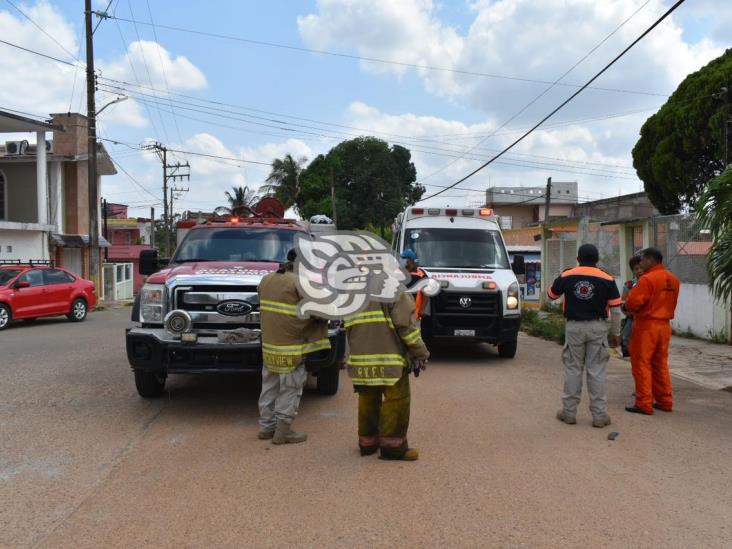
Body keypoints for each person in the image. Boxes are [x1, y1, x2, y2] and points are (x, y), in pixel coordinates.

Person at [345, 290, 429, 461]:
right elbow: (405, 326)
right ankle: (393, 448)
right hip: (390, 359)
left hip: (362, 359)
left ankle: (368, 443)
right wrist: (421, 353)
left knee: (368, 399)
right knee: (396, 400)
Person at [257, 249, 330, 444]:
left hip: (270, 347)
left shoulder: (267, 280)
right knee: (291, 388)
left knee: (269, 386)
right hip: (291, 349)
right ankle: (283, 432)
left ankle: (266, 428)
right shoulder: (301, 283)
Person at [548, 244, 623, 428]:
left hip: (574, 328)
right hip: (597, 327)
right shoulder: (607, 278)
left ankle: (569, 413)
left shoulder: (568, 274)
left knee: (573, 369)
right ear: (597, 259)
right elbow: (616, 310)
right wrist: (616, 334)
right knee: (596, 371)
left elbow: (551, 295)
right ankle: (599, 416)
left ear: (578, 258)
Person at [624, 247, 680, 415]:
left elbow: (633, 303)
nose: (640, 264)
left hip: (646, 326)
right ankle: (665, 401)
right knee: (660, 364)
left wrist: (625, 306)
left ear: (650, 259)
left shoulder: (647, 279)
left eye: (642, 260)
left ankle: (643, 403)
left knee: (642, 364)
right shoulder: (673, 279)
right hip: (664, 326)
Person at [620, 255, 644, 357]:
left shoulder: (652, 282)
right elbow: (622, 303)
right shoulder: (629, 285)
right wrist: (630, 313)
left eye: (641, 268)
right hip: (632, 318)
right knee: (625, 337)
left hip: (647, 318)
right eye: (636, 269)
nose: (639, 271)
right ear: (632, 271)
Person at [400, 249, 427, 320]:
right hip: (400, 312)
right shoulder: (399, 272)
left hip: (415, 313)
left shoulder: (421, 274)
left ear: (411, 260)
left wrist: (422, 309)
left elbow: (426, 293)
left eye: (404, 258)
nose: (402, 261)